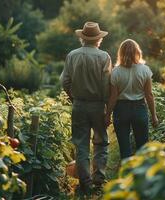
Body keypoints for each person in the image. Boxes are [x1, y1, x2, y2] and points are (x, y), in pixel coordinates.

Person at [60, 22, 112, 195]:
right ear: (98, 39)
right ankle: (98, 180)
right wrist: (107, 107)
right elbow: (106, 85)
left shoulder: (72, 55)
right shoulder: (104, 57)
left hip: (79, 104)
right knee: (101, 142)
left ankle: (85, 182)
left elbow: (65, 81)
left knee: (81, 144)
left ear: (82, 38)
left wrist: (73, 96)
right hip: (98, 105)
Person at [105, 39, 158, 159]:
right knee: (143, 147)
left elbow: (113, 97)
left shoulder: (116, 72)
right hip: (139, 109)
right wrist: (154, 115)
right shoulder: (145, 70)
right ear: (137, 52)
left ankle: (127, 174)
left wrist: (107, 115)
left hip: (121, 110)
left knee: (124, 148)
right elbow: (149, 95)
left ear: (121, 53)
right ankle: (141, 174)